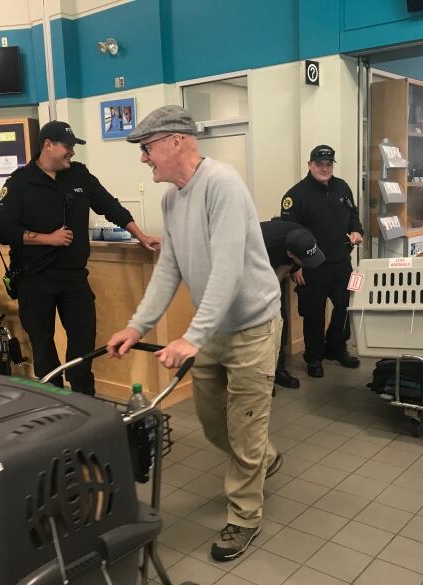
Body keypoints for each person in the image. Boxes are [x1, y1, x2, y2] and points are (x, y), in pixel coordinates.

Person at [106, 106, 282, 562]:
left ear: (176, 141)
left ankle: (244, 516)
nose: (144, 159)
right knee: (213, 423)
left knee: (244, 427)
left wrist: (192, 336)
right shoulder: (171, 200)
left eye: (146, 148)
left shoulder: (221, 184)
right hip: (211, 331)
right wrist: (136, 325)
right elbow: (170, 268)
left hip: (251, 328)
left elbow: (227, 268)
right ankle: (263, 457)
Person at [0, 120, 159, 395]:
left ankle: (84, 400)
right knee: (42, 344)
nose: (72, 152)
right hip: (34, 278)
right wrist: (48, 238)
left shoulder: (79, 175)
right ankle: (53, 399)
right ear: (48, 145)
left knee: (83, 339)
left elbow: (109, 205)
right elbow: (2, 229)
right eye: (67, 146)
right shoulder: (20, 182)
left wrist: (139, 235)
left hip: (73, 277)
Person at [280, 145, 363, 378]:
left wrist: (357, 231)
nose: (324, 168)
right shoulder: (295, 196)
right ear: (310, 165)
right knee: (314, 314)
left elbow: (353, 215)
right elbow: (289, 235)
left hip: (342, 262)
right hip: (312, 267)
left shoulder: (342, 187)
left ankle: (337, 347)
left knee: (346, 306)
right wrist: (295, 267)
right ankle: (314, 357)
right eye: (319, 164)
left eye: (328, 165)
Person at [260, 220, 325, 390]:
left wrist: (297, 266)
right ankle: (261, 378)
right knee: (260, 329)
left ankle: (278, 370)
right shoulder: (263, 244)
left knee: (280, 322)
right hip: (249, 276)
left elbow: (280, 275)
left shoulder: (303, 237)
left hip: (273, 273)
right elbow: (260, 281)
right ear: (290, 253)